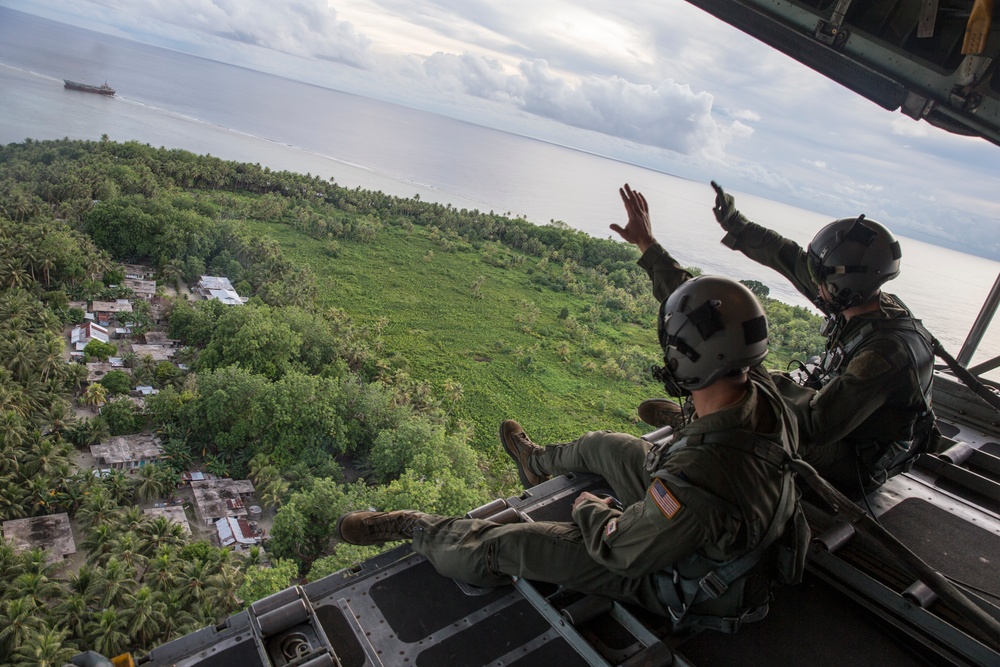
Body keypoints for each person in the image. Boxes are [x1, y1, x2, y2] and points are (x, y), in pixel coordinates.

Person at [337, 185, 803, 632]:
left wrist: (591, 509)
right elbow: (698, 309)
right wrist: (647, 243)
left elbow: (619, 549)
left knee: (508, 543)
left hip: (684, 577)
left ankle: (415, 528)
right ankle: (534, 462)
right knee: (608, 446)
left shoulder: (698, 478)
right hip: (709, 524)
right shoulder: (759, 385)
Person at [641, 182, 935, 494]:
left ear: (843, 287)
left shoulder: (886, 354)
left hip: (859, 463)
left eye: (821, 281)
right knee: (755, 384)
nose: (815, 286)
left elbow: (819, 426)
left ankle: (702, 434)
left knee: (760, 401)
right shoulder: (862, 302)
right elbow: (787, 257)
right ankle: (701, 417)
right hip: (851, 426)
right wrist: (736, 224)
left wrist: (760, 379)